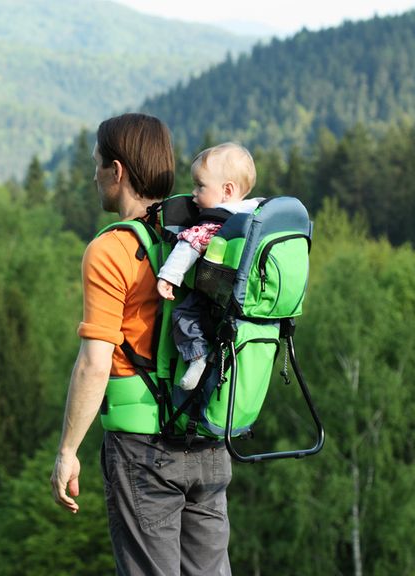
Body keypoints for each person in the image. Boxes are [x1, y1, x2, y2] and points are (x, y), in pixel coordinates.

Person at [50, 113, 233, 576]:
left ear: (118, 171)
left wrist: (67, 450)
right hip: (209, 441)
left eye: (96, 164)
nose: (93, 175)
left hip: (143, 452)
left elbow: (95, 364)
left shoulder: (111, 250)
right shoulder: (205, 232)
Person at [157, 142, 261, 390]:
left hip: (216, 293)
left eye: (200, 186)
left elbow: (187, 247)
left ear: (227, 190)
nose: (193, 193)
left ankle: (197, 358)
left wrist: (168, 277)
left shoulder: (214, 222)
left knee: (182, 315)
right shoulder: (257, 212)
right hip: (249, 297)